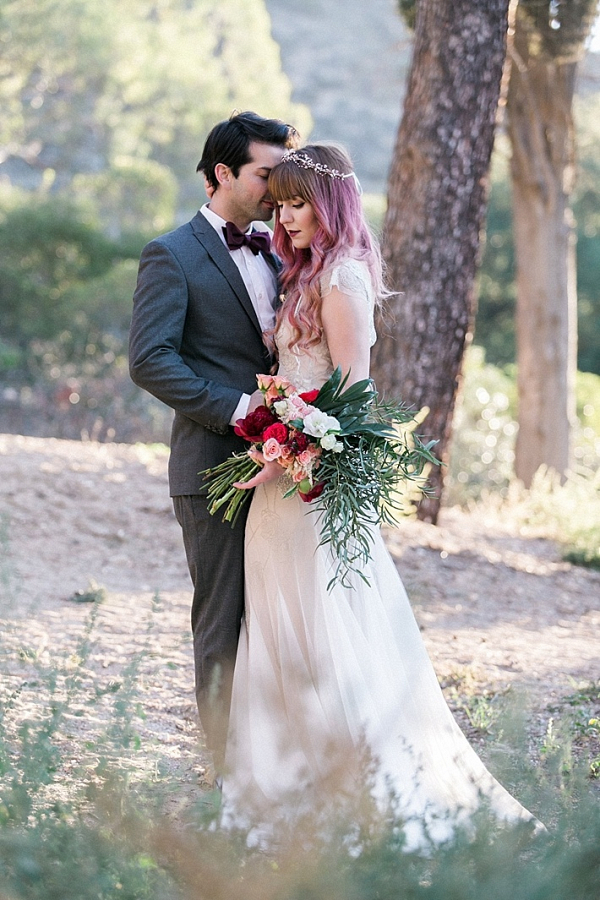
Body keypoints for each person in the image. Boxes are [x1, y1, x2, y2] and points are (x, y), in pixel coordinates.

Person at [220, 143, 541, 849]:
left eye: (299, 203)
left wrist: (295, 446)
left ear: (330, 203)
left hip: (310, 487)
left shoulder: (344, 279)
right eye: (280, 205)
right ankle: (280, 784)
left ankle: (357, 794)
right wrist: (273, 420)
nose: (287, 218)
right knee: (278, 626)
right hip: (276, 487)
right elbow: (300, 382)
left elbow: (352, 397)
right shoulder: (301, 274)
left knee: (331, 632)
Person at [129, 111, 299, 776]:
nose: (277, 188)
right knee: (223, 625)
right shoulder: (170, 254)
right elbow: (150, 361)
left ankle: (278, 765)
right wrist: (240, 410)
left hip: (287, 469)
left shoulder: (284, 247)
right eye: (266, 174)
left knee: (282, 620)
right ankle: (225, 776)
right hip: (214, 469)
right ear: (221, 174)